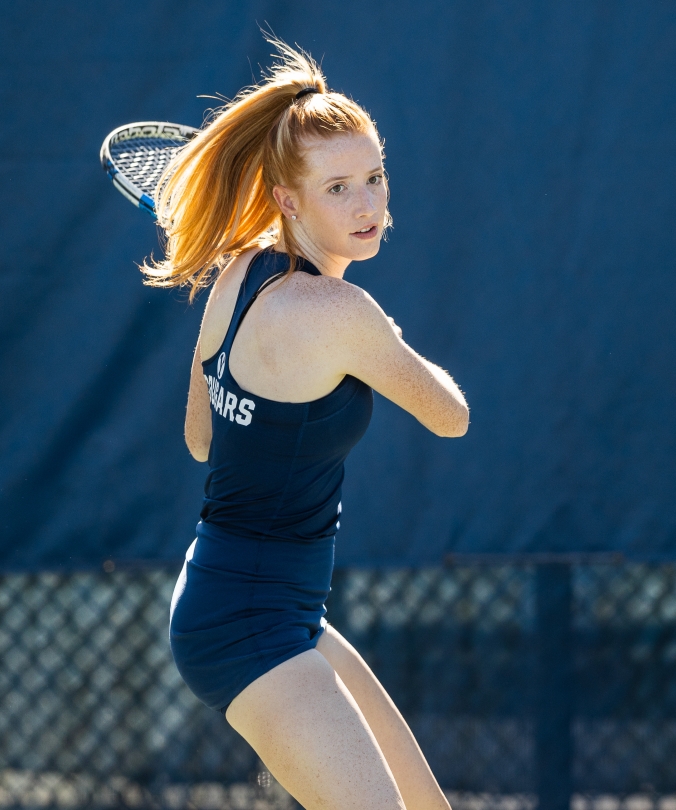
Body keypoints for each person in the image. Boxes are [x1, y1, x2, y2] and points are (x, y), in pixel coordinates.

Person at [152, 39, 468, 810]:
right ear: (288, 201)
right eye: (339, 188)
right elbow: (451, 416)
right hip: (249, 623)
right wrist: (376, 336)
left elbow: (202, 440)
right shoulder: (341, 311)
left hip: (263, 602)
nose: (368, 207)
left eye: (375, 177)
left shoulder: (235, 275)